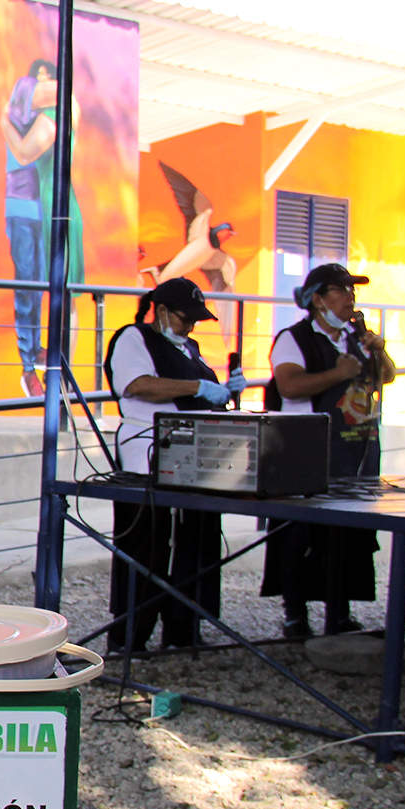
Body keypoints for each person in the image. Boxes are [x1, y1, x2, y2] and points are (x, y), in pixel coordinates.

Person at [261, 263, 397, 639]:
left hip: (356, 450)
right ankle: (295, 615)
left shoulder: (355, 336)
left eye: (352, 291)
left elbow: (385, 375)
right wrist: (338, 374)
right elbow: (289, 385)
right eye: (340, 290)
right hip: (309, 450)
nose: (350, 298)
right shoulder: (294, 338)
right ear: (317, 299)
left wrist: (378, 349)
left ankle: (340, 612)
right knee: (301, 535)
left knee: (350, 535)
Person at [102, 278, 239, 651]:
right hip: (145, 456)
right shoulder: (134, 338)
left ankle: (183, 628)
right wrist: (196, 388)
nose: (190, 327)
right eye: (184, 319)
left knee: (197, 542)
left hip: (195, 456)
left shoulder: (189, 348)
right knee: (146, 546)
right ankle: (130, 637)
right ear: (161, 311)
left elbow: (202, 390)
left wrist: (224, 390)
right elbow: (138, 384)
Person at [1, 59, 85, 396]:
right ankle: (39, 365)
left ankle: (55, 371)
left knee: (54, 289)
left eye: (45, 77)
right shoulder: (41, 112)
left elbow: (23, 152)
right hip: (35, 207)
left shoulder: (52, 113)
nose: (41, 83)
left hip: (49, 206)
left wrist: (3, 122)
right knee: (35, 286)